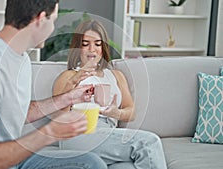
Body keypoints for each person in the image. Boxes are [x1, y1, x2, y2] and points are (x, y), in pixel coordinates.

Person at [0, 1, 108, 169]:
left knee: (91, 163)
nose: (53, 29)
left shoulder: (21, 58)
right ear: (40, 19)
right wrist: (49, 133)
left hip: (11, 159)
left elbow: (16, 112)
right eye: (53, 20)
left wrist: (67, 98)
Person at [53, 20, 167, 169]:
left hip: (108, 133)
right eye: (85, 44)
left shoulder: (116, 75)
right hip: (77, 133)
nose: (91, 49)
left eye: (97, 44)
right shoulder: (68, 76)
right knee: (148, 142)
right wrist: (72, 84)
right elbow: (57, 118)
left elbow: (130, 111)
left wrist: (116, 113)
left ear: (103, 47)